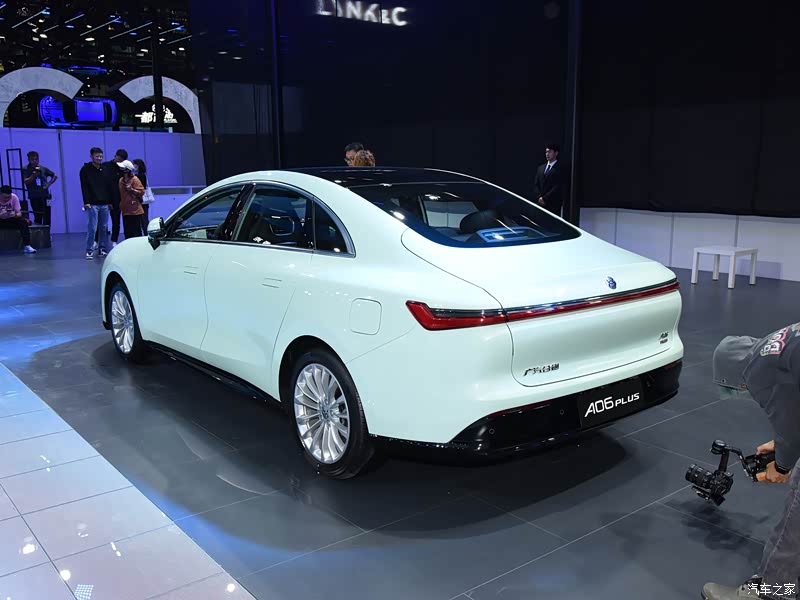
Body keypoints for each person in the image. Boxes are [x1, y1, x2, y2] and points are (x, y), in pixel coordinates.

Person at [702, 326, 800, 600]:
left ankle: (773, 591)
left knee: (796, 513)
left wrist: (782, 465)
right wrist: (782, 444)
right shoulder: (776, 343)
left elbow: (789, 424)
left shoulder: (756, 371)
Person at [79, 148, 112, 259]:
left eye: (101, 156)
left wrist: (109, 201)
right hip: (92, 203)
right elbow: (84, 186)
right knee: (92, 228)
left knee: (103, 227)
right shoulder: (85, 170)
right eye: (97, 156)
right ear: (91, 156)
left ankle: (102, 248)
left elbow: (108, 186)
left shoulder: (105, 169)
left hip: (104, 203)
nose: (99, 158)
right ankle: (89, 249)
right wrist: (86, 202)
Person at [22, 151, 58, 227]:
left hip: (46, 195)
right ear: (29, 160)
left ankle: (47, 232)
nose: (35, 161)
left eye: (36, 159)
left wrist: (48, 184)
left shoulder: (42, 168)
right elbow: (25, 181)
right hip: (34, 196)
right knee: (37, 215)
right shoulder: (25, 169)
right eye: (32, 159)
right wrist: (33, 175)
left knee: (47, 215)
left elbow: (54, 175)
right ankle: (38, 232)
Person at [102, 148, 128, 247]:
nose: (119, 161)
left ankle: (114, 240)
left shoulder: (123, 169)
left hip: (117, 198)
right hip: (104, 198)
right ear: (115, 156)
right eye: (119, 158)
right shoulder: (105, 166)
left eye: (122, 160)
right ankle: (97, 240)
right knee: (101, 222)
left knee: (116, 221)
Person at [0, 186, 36, 253]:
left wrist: (14, 215)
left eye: (9, 197)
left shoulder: (14, 197)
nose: (7, 199)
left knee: (23, 222)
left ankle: (27, 245)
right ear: (0, 194)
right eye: (5, 197)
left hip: (10, 219)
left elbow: (19, 213)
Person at [117, 160, 145, 240]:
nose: (120, 169)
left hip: (135, 210)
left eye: (122, 168)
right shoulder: (121, 180)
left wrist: (132, 190)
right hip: (125, 210)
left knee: (136, 232)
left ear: (127, 170)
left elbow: (141, 192)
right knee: (127, 232)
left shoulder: (135, 179)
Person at [532, 143, 563, 215]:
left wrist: (545, 198)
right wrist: (539, 198)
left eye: (550, 152)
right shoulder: (541, 168)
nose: (547, 154)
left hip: (553, 204)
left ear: (556, 153)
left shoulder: (560, 168)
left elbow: (557, 186)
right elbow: (536, 184)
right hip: (540, 204)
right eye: (546, 152)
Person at [132, 158, 151, 223]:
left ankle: (145, 229)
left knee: (143, 218)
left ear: (138, 165)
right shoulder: (142, 175)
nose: (133, 166)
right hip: (142, 199)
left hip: (140, 198)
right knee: (144, 218)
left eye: (134, 164)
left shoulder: (139, 176)